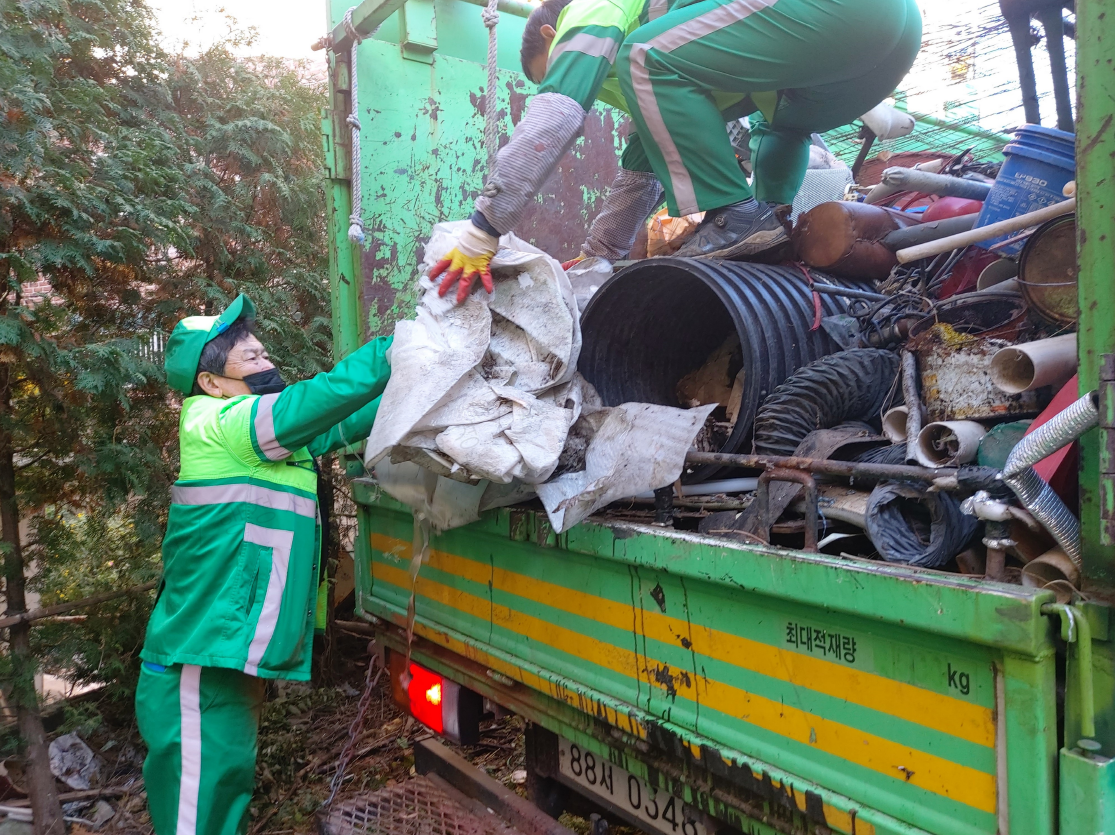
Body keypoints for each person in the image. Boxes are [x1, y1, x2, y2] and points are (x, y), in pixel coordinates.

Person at [429, 0, 921, 300]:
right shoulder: (687, 69)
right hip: (877, 50)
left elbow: (557, 110)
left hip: (836, 13)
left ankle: (736, 214)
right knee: (778, 129)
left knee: (643, 54)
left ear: (551, 37)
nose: (594, 87)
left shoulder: (592, 8)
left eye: (552, 65)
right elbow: (643, 168)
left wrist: (484, 229)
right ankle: (771, 230)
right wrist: (598, 256)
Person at [136, 294, 392, 835]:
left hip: (223, 657)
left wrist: (421, 379)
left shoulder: (271, 441)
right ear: (211, 382)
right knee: (196, 816)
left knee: (224, 794)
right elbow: (313, 402)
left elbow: (344, 418)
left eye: (265, 352)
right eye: (250, 359)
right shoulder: (216, 421)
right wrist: (404, 347)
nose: (267, 363)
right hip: (197, 659)